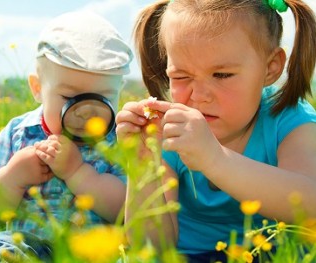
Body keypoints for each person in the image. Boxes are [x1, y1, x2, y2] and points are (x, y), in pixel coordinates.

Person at [115, 0, 316, 262]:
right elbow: (151, 247)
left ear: (270, 67)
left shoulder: (288, 118)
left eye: (221, 75)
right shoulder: (169, 130)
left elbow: (310, 204)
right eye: (181, 77)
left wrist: (214, 159)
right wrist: (141, 163)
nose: (199, 97)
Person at [0, 10, 133, 262]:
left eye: (104, 99)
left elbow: (128, 211)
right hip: (27, 249)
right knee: (0, 249)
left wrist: (78, 173)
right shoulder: (19, 133)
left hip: (94, 253)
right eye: (69, 98)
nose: (87, 112)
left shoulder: (120, 139)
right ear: (37, 88)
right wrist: (13, 176)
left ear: (119, 89)